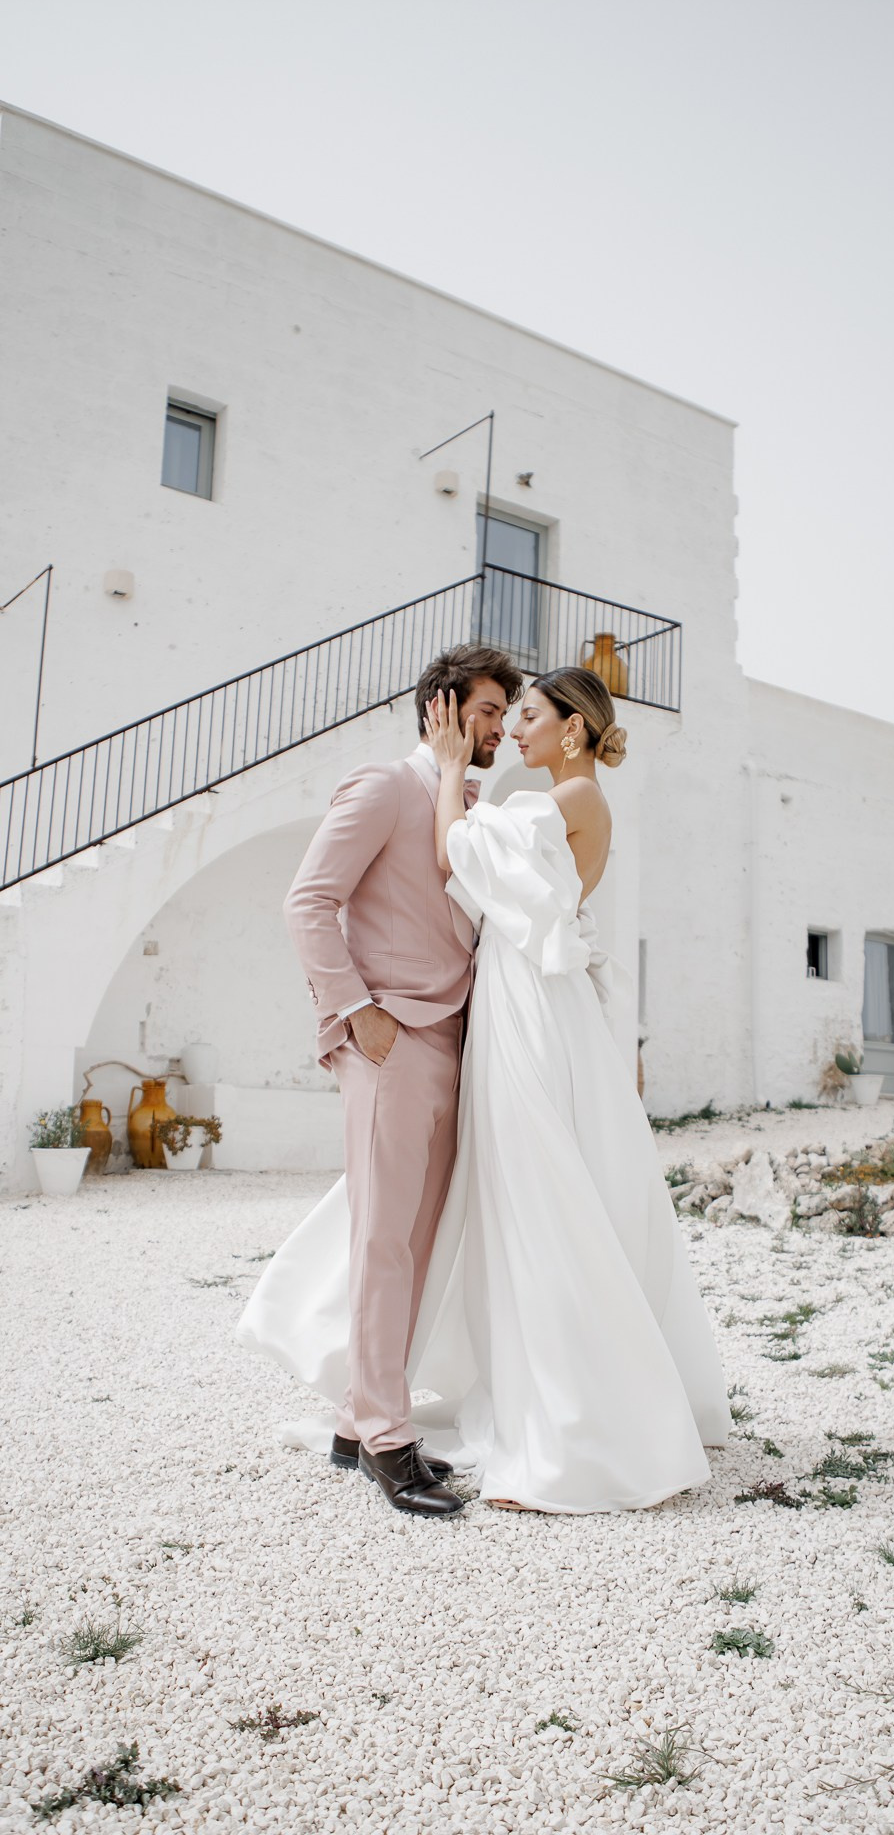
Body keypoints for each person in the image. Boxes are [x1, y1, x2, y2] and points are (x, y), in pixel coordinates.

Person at [410, 667, 730, 1511]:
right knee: (521, 1188)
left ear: (574, 728)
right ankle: (548, 1405)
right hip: (523, 991)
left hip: (530, 1000)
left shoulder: (574, 796)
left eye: (529, 717)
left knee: (538, 1189)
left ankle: (569, 1430)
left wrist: (450, 770)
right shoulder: (553, 799)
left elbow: (454, 852)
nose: (515, 731)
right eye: (511, 717)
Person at [238, 643, 524, 1518]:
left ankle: (354, 1420)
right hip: (389, 1040)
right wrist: (356, 1010)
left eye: (504, 714)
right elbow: (307, 901)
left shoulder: (468, 806)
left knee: (420, 1244)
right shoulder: (382, 787)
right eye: (486, 711)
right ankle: (386, 1441)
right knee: (383, 1243)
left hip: (456, 1043)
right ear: (440, 708)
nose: (500, 728)